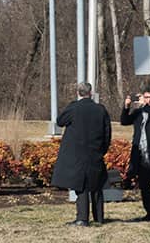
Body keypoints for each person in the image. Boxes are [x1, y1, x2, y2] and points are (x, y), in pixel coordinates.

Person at [52, 81, 112, 227]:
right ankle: (99, 218)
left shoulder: (74, 108)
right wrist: (103, 149)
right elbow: (107, 132)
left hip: (77, 154)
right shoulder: (100, 109)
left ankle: (82, 218)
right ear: (91, 93)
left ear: (78, 93)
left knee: (81, 186)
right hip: (95, 152)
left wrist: (72, 104)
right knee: (96, 185)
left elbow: (60, 121)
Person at [121, 87, 150, 221]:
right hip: (140, 154)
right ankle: (149, 212)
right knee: (144, 185)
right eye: (146, 97)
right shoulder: (139, 112)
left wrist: (146, 107)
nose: (148, 100)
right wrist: (126, 107)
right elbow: (124, 121)